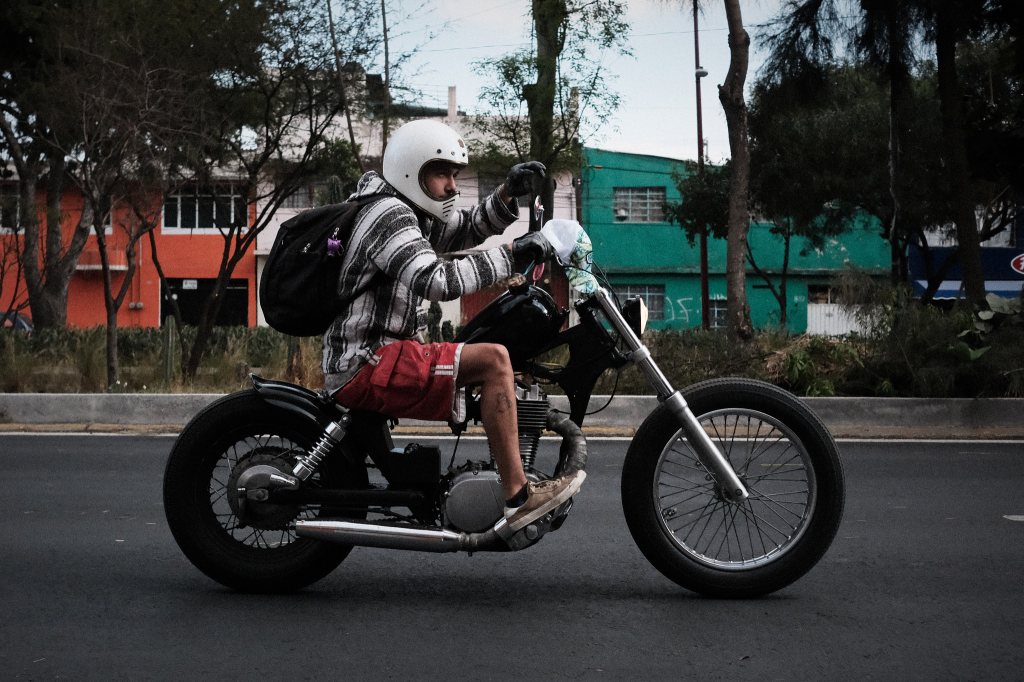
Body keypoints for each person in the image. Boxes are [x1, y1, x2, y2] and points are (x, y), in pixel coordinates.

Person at [323, 119, 585, 532]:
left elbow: (464, 228)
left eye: (454, 175)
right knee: (494, 360)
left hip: (382, 355)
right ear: (410, 170)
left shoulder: (408, 213)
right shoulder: (389, 215)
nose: (451, 186)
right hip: (368, 362)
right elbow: (437, 280)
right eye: (441, 174)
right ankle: (518, 497)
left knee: (499, 361)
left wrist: (506, 194)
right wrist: (512, 254)